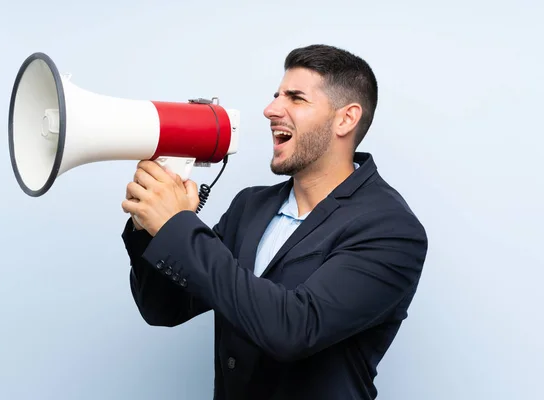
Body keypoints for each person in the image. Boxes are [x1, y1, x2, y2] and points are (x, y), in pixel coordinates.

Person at [120, 44, 428, 400]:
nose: (270, 110)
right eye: (276, 95)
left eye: (295, 98)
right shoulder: (251, 206)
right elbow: (165, 308)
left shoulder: (391, 231)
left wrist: (179, 226)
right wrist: (150, 226)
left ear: (346, 119)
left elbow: (293, 329)